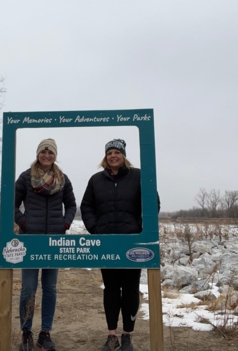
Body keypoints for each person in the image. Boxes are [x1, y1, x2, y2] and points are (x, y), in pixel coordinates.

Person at [81, 139, 160, 351]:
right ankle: (111, 335)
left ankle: (127, 335)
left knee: (131, 289)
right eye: (109, 153)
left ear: (124, 155)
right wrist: (95, 229)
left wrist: (141, 227)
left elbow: (153, 202)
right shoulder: (96, 180)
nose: (113, 156)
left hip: (133, 244)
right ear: (105, 157)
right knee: (111, 289)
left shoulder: (139, 176)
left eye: (117, 152)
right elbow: (86, 205)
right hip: (106, 243)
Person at [15, 138, 77, 351]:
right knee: (28, 289)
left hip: (55, 242)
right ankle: (26, 332)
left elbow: (71, 205)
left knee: (50, 288)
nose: (47, 156)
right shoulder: (25, 177)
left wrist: (65, 223)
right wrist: (25, 223)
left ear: (55, 155)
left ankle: (45, 333)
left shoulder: (63, 179)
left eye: (50, 153)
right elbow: (11, 205)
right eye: (43, 152)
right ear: (38, 154)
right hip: (30, 242)